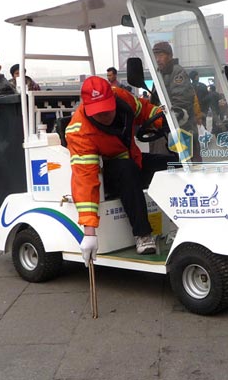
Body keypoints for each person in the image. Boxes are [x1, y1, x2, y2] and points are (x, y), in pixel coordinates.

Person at [65, 76, 176, 264]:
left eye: (107, 110)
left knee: (174, 164)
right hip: (107, 173)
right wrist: (89, 231)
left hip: (133, 160)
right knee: (126, 169)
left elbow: (144, 109)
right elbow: (85, 178)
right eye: (98, 113)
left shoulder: (122, 97)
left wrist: (163, 120)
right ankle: (142, 234)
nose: (104, 116)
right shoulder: (79, 132)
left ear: (112, 98)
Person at [151, 41, 200, 161]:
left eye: (161, 55)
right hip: (166, 130)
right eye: (155, 56)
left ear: (170, 56)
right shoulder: (159, 74)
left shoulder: (177, 72)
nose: (157, 59)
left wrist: (160, 118)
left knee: (188, 168)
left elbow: (180, 102)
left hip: (180, 128)